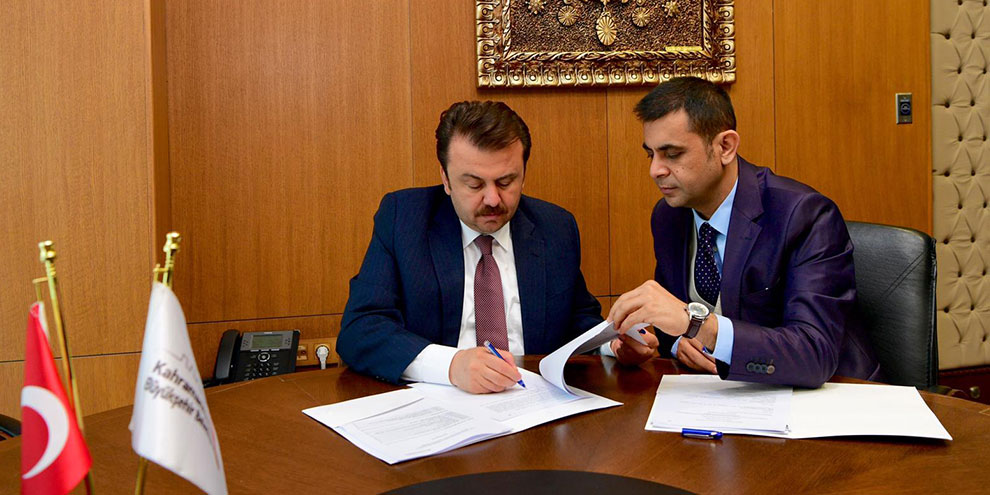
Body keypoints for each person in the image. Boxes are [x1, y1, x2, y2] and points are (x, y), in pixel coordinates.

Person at [338, 101, 643, 394]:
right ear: (446, 179)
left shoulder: (555, 227)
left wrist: (612, 345)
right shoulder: (404, 219)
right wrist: (451, 365)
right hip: (440, 403)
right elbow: (361, 329)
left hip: (534, 403)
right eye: (474, 184)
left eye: (506, 182)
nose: (493, 200)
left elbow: (577, 319)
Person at [608, 77, 880, 388]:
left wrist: (699, 326)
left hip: (832, 396)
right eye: (651, 154)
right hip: (725, 396)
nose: (655, 170)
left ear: (725, 147)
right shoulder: (669, 216)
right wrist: (676, 343)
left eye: (672, 154)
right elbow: (677, 321)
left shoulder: (803, 214)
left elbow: (814, 353)